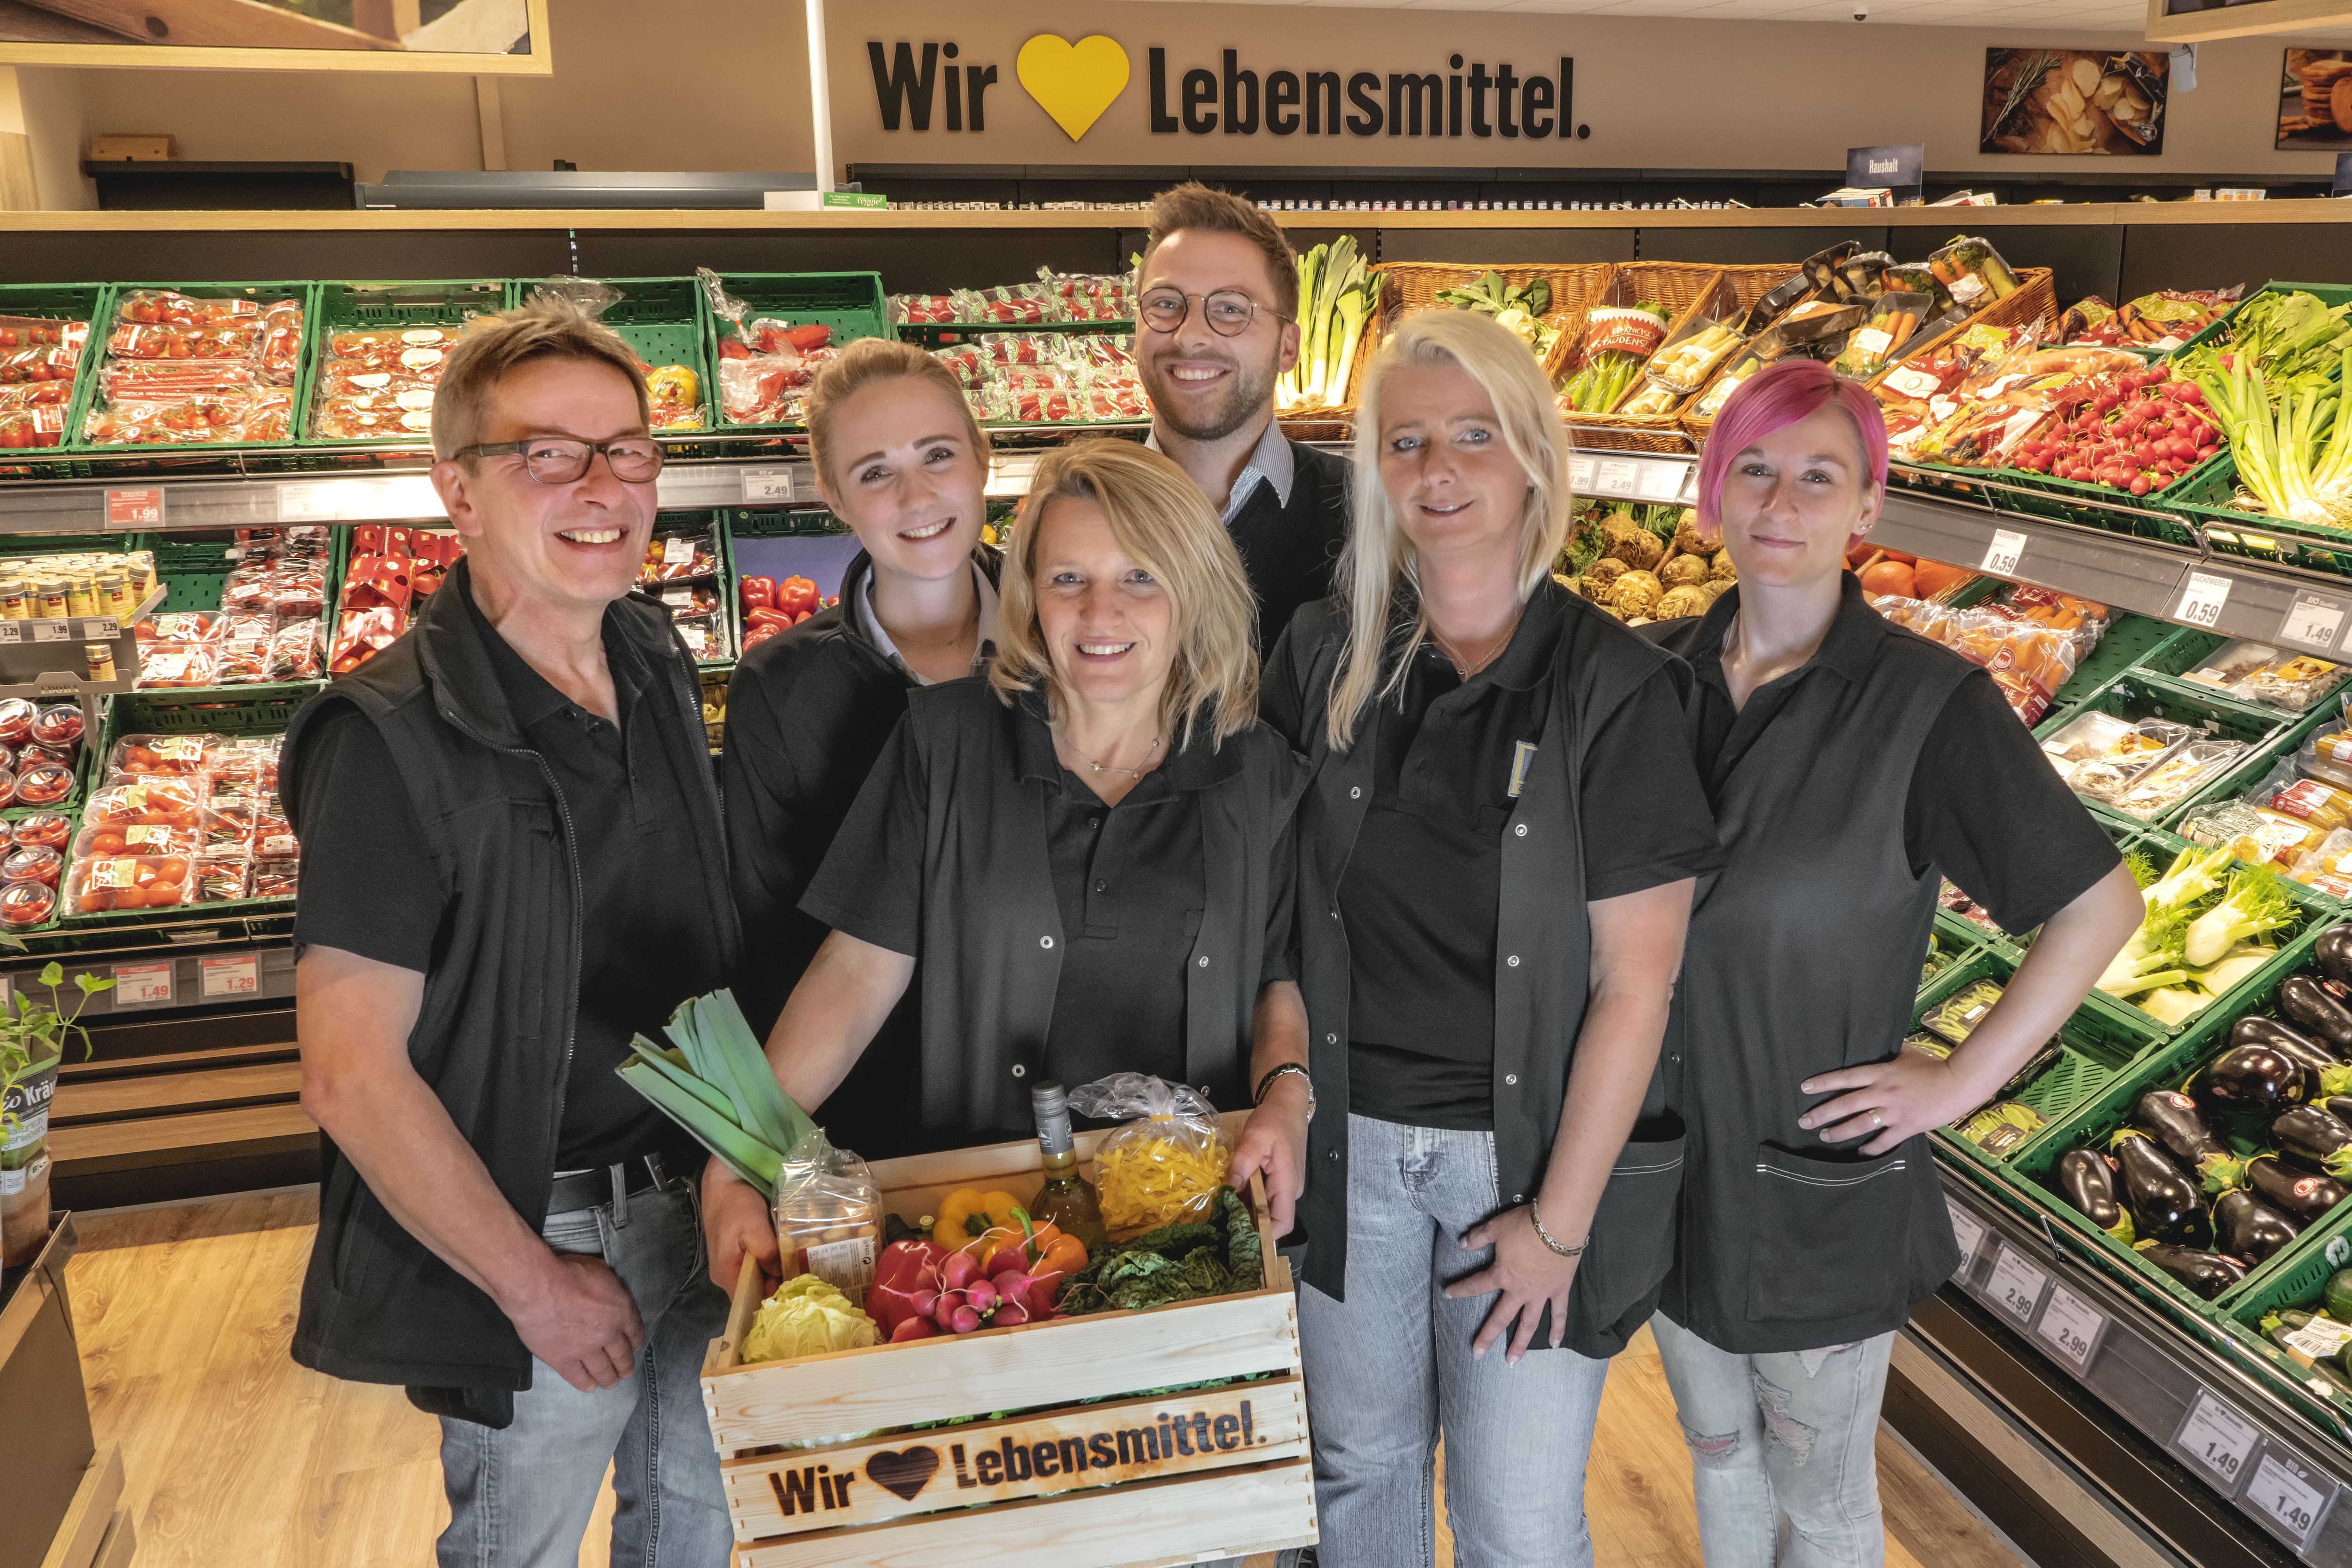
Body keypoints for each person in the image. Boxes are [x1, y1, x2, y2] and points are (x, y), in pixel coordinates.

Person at [1640, 358, 2143, 1568]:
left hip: (1810, 1186)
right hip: (1659, 1168)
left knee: (1818, 1495)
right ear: (1712, 490)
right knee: (1717, 1454)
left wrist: (1958, 1081)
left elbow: (2099, 905)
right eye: (1753, 468)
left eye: (1819, 476)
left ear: (1868, 506)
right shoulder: (1640, 677)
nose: (1780, 502)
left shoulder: (1926, 707)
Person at [1261, 308, 1724, 1566]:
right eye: (1406, 440)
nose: (1438, 469)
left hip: (1516, 1165)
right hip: (1348, 1150)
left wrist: (1559, 1222)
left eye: (1474, 435)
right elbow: (1278, 918)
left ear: (1532, 455)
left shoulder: (1617, 688)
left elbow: (1638, 983)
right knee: (1358, 1467)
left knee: (1515, 1516)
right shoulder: (1324, 654)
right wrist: (1287, 1093)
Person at [283, 297, 739, 1566]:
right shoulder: (387, 740)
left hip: (706, 1197)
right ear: (459, 491)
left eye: (626, 450)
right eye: (547, 453)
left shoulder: (650, 652)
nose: (602, 486)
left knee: (698, 1533)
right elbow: (349, 1071)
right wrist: (532, 1284)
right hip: (544, 1230)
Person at [701, 439, 1315, 1310]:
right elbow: (857, 970)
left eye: (1140, 577)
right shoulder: (946, 743)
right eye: (1068, 579)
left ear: (1195, 589)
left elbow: (1276, 976)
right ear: (1030, 594)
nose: (1100, 612)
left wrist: (1286, 1095)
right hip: (985, 1240)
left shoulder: (1256, 771)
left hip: (1189, 1228)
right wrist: (733, 1161)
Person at [720, 337, 1000, 1162]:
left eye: (938, 454)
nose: (917, 495)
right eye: (875, 472)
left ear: (983, 457)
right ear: (835, 497)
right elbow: (778, 941)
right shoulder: (779, 688)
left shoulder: (1076, 637)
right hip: (877, 1121)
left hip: (1069, 1103)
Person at [1136, 181, 1350, 653]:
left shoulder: (1365, 513)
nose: (1190, 336)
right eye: (1166, 304)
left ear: (1288, 347)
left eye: (1231, 309)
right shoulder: (1081, 512)